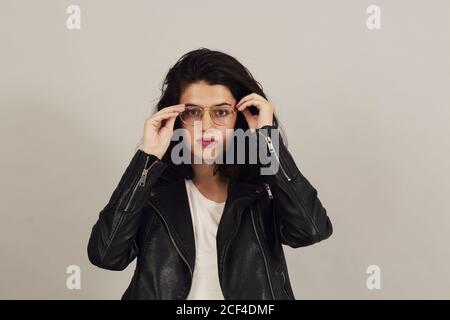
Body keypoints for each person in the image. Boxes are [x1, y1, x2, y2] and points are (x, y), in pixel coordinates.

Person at [87, 48, 333, 300]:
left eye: (221, 112)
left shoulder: (263, 189)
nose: (206, 127)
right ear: (176, 118)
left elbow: (311, 230)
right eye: (193, 112)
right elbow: (106, 255)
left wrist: (267, 140)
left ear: (240, 118)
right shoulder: (152, 191)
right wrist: (147, 158)